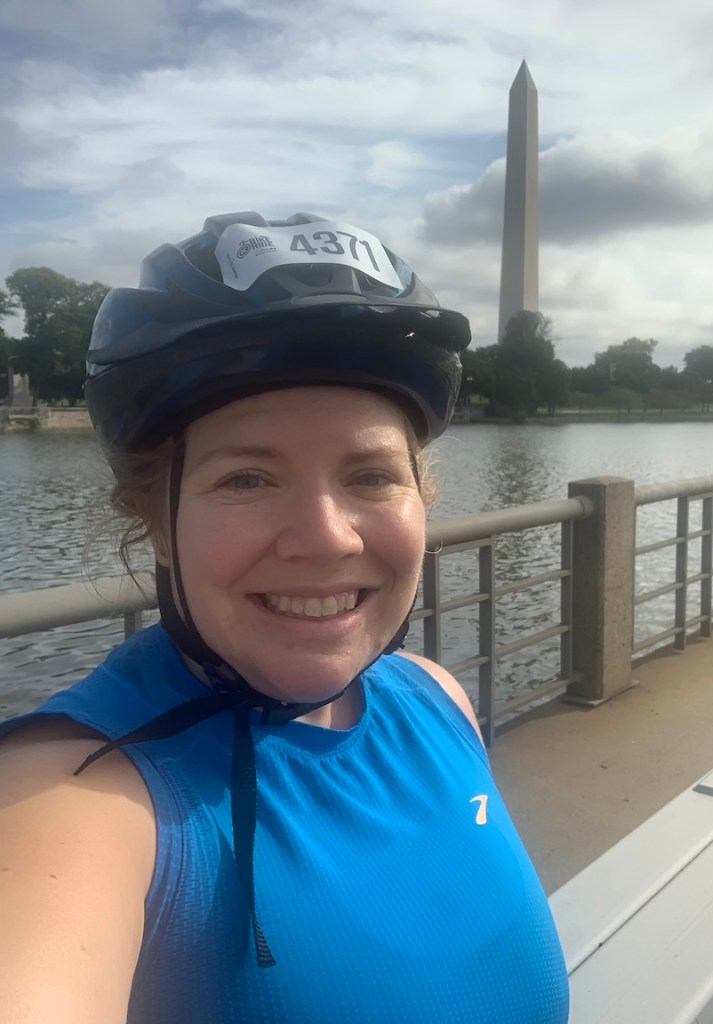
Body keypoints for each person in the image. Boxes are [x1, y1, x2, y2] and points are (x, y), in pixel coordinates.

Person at [0, 211, 569, 1023]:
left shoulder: (439, 699)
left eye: (372, 476)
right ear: (155, 519)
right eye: (246, 480)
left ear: (423, 498)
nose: (326, 538)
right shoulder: (77, 798)